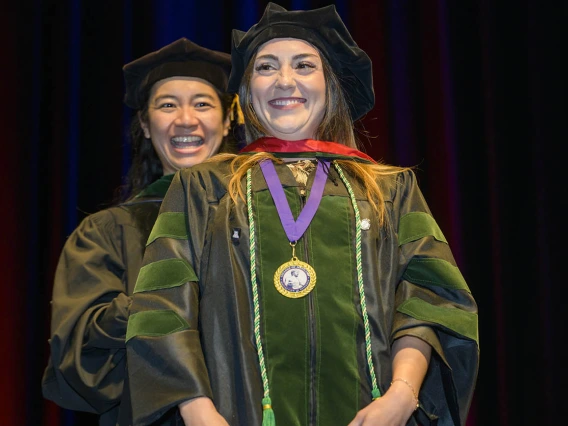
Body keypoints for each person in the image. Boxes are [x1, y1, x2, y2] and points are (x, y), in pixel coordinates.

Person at [126, 4, 479, 426]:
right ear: (247, 90)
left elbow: (431, 301)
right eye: (266, 67)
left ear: (330, 83)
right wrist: (199, 412)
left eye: (304, 65)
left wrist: (402, 396)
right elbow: (161, 308)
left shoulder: (390, 189)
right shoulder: (203, 187)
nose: (285, 80)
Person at [42, 38, 240, 426]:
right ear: (146, 126)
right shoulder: (106, 234)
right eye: (167, 105)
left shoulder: (267, 221)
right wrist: (163, 304)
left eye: (203, 103)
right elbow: (79, 361)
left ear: (228, 119)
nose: (186, 119)